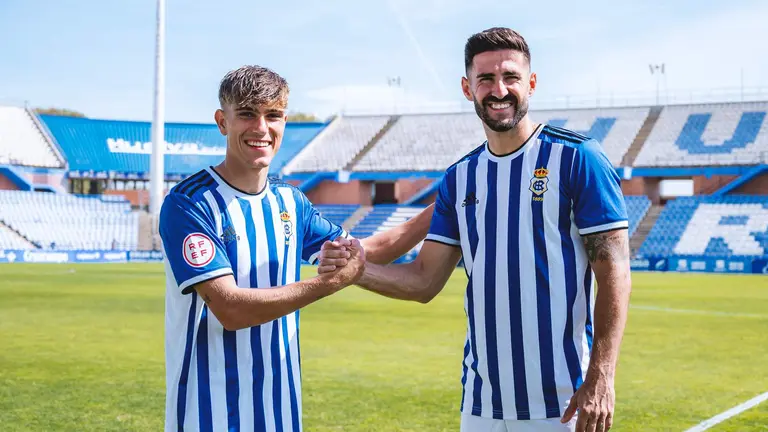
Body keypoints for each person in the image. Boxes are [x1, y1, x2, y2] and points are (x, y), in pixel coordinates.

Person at [318, 27, 632, 432]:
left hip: (562, 403)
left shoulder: (578, 158)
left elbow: (615, 273)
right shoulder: (460, 178)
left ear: (531, 84)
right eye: (485, 79)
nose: (498, 89)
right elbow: (423, 280)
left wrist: (603, 376)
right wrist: (358, 271)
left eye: (510, 77)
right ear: (468, 88)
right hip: (481, 405)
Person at [158, 65, 432, 432]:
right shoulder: (189, 203)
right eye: (247, 114)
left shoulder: (290, 201)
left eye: (273, 115)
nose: (261, 128)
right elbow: (230, 309)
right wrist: (328, 284)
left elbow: (363, 252)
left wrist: (442, 206)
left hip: (282, 413)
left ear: (284, 121)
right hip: (209, 415)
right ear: (222, 122)